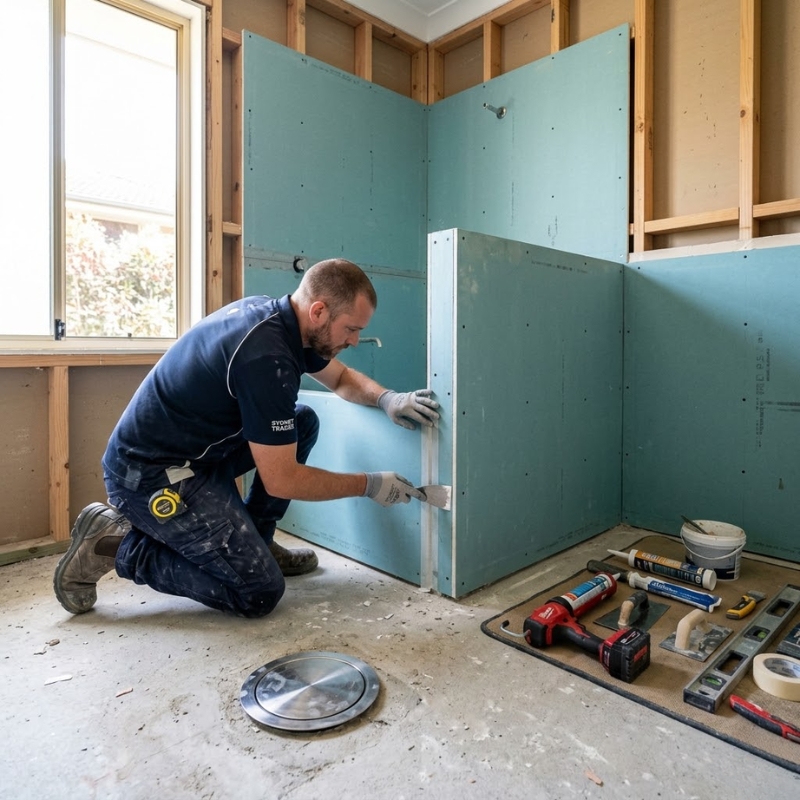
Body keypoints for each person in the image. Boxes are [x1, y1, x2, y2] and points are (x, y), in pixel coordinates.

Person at [54, 258, 439, 618]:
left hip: (196, 454)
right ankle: (114, 545)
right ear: (319, 311)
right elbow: (283, 480)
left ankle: (259, 539)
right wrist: (369, 485)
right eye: (351, 329)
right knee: (258, 591)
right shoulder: (266, 358)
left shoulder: (282, 321)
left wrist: (388, 399)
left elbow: (340, 378)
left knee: (302, 421)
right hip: (149, 474)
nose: (354, 341)